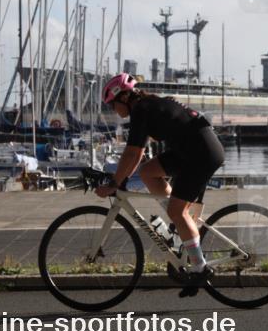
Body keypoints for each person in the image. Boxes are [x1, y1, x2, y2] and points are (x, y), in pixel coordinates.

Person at [95, 73, 225, 291]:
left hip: (201, 154)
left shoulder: (141, 109)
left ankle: (200, 268)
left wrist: (114, 183)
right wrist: (121, 175)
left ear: (123, 97)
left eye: (112, 105)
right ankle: (179, 227)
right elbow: (138, 155)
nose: (113, 111)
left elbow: (132, 153)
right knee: (148, 172)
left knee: (177, 211)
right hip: (189, 151)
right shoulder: (146, 105)